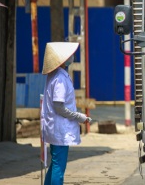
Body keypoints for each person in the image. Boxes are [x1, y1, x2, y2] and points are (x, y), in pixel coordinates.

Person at [40, 42, 92, 185]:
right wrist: (79, 116)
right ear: (63, 60)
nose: (73, 57)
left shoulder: (55, 75)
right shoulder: (60, 79)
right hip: (60, 130)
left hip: (55, 128)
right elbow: (59, 107)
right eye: (70, 55)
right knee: (59, 167)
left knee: (55, 163)